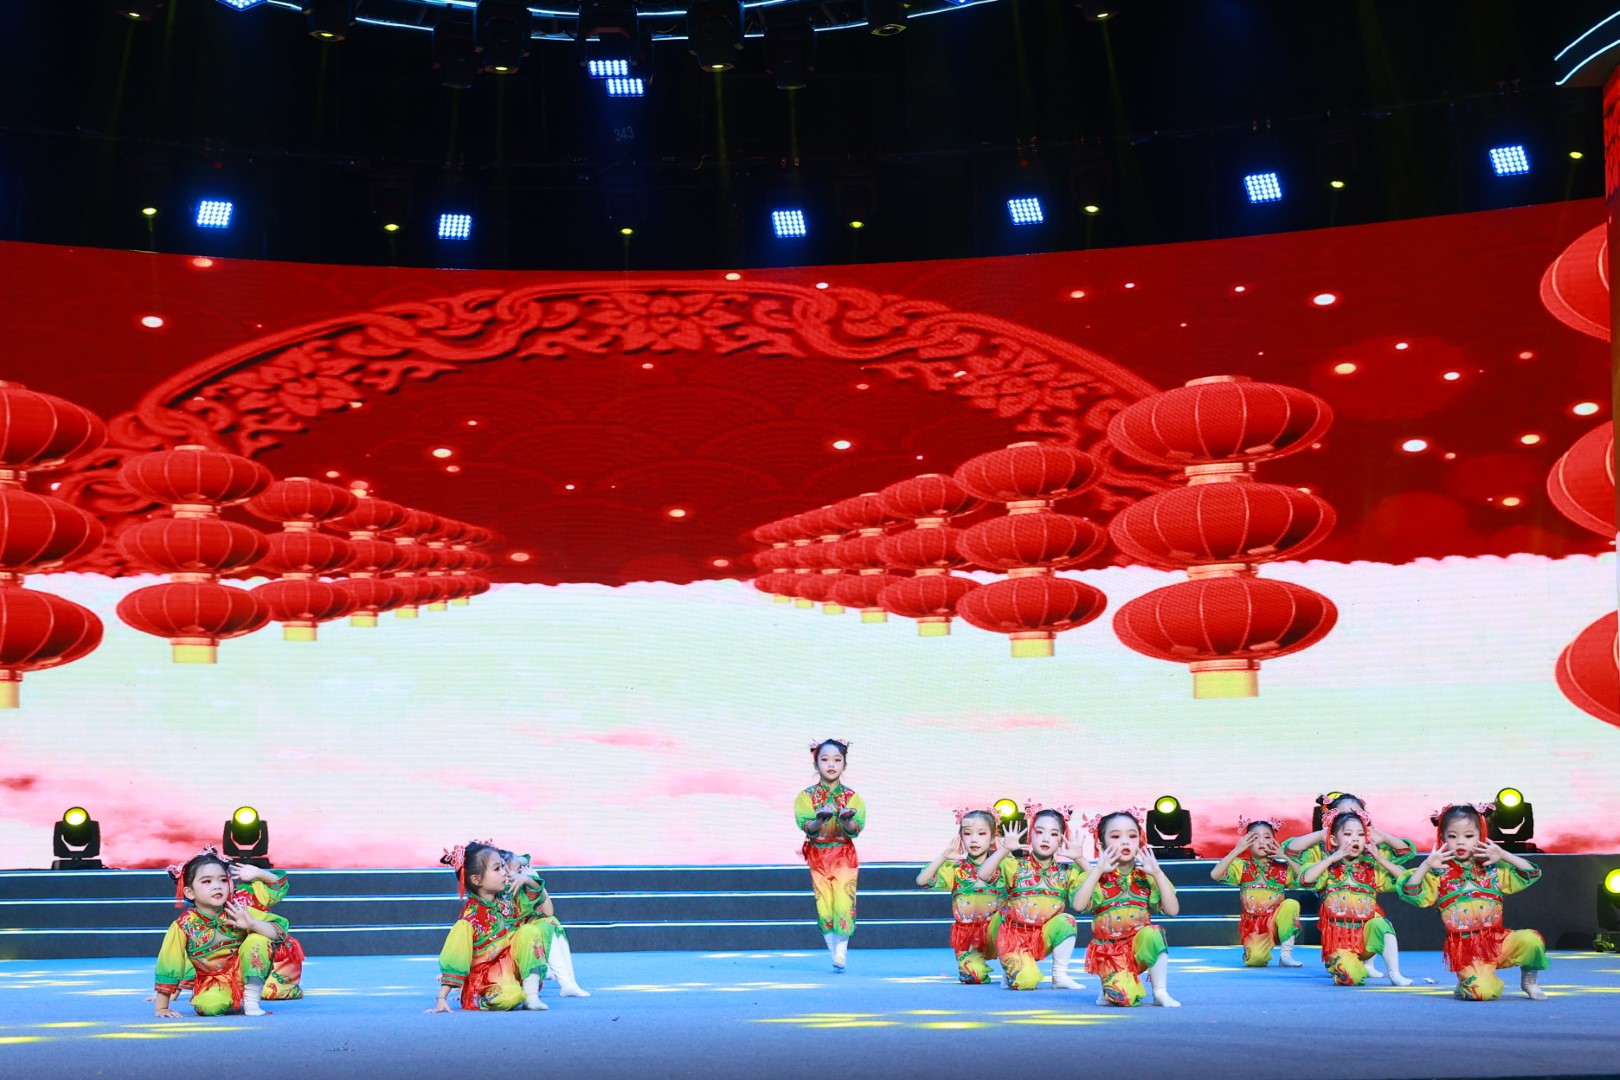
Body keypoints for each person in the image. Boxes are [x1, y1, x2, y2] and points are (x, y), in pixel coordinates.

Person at [1395, 803, 1548, 1001]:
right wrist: (1425, 865)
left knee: (1531, 940)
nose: (1460, 842)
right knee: (1481, 992)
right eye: (1452, 836)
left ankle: (1529, 982)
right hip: (1467, 950)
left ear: (1480, 836)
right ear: (1442, 838)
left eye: (1468, 836)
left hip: (1497, 941)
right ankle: (1467, 978)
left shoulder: (1491, 869)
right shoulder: (1438, 874)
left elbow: (1530, 873)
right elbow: (1411, 891)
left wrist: (1504, 855)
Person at [153, 849, 288, 1018]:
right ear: (189, 892)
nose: (217, 886)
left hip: (245, 974)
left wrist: (253, 924)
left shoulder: (238, 910)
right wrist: (162, 1007)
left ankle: (251, 1000)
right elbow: (170, 963)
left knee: (258, 939)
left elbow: (278, 933)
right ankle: (233, 1000)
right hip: (213, 982)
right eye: (207, 881)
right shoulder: (184, 925)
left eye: (223, 880)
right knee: (209, 1007)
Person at [428, 841, 551, 1013]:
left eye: (503, 866)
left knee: (532, 930)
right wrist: (442, 997)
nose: (505, 872)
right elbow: (455, 958)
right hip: (485, 979)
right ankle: (479, 996)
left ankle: (531, 997)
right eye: (497, 868)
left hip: (511, 967)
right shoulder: (469, 919)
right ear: (477, 880)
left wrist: (528, 880)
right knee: (511, 997)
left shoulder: (508, 898)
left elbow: (545, 908)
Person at [975, 803, 1087, 991]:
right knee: (1028, 982)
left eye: (1053, 834)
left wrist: (1080, 859)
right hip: (1012, 936)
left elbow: (1097, 886)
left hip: (1041, 937)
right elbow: (983, 874)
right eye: (1039, 832)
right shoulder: (1016, 865)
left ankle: (1059, 976)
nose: (1046, 838)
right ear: (1030, 835)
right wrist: (1004, 849)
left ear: (1062, 840)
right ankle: (1012, 964)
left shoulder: (1067, 871)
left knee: (1067, 920)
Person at [1074, 810, 1180, 1007]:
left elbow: (1173, 910)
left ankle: (1160, 992)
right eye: (1116, 836)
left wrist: (1157, 873)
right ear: (1101, 845)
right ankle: (1110, 984)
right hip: (1110, 953)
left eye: (1132, 836)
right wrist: (1097, 870)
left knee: (1153, 932)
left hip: (1138, 949)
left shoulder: (1147, 875)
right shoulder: (1095, 875)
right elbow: (1078, 905)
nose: (1125, 842)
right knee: (1125, 998)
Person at [1299, 807, 1413, 987]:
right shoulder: (1328, 869)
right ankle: (1345, 964)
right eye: (1348, 834)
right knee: (1349, 977)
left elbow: (1408, 881)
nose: (1355, 839)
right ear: (1334, 840)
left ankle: (1395, 974)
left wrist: (1380, 859)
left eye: (1360, 834)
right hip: (1338, 943)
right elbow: (1306, 879)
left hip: (1364, 940)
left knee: (1381, 923)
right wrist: (1332, 858)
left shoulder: (1371, 868)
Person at [794, 738, 865, 970]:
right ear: (816, 764)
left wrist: (846, 820)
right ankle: (833, 952)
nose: (831, 764)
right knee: (824, 904)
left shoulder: (852, 797)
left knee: (843, 901)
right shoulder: (806, 796)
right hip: (818, 855)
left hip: (843, 854)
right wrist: (819, 820)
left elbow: (855, 829)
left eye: (837, 759)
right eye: (824, 759)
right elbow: (807, 826)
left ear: (844, 764)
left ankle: (841, 953)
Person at [916, 808, 1005, 984]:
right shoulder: (956, 869)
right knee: (973, 976)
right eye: (967, 833)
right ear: (960, 837)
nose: (974, 839)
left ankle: (1012, 963)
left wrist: (1005, 852)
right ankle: (975, 963)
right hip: (969, 938)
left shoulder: (1004, 866)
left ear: (993, 838)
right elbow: (922, 881)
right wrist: (944, 856)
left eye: (981, 833)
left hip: (998, 933)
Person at [1209, 816, 1303, 968]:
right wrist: (1237, 850)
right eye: (1255, 838)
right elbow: (1215, 874)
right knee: (1256, 961)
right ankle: (1253, 949)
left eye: (1267, 837)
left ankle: (1286, 955)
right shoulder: (1242, 866)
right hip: (1256, 927)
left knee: (1291, 904)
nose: (1261, 841)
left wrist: (1284, 856)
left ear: (1274, 841)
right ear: (1247, 842)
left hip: (1277, 921)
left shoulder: (1282, 868)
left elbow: (1306, 877)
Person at [500, 849, 589, 998]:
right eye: (519, 870)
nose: (523, 872)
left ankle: (568, 983)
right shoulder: (500, 892)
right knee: (542, 925)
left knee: (551, 922)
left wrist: (534, 881)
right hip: (508, 955)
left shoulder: (523, 887)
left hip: (524, 946)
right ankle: (565, 983)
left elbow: (548, 911)